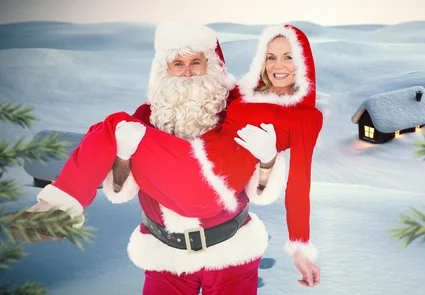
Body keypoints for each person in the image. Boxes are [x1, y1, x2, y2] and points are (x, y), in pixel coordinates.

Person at [10, 22, 288, 295]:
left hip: (231, 251)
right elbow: (121, 189)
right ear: (164, 70)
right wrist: (123, 156)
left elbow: (262, 192)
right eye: (178, 64)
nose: (188, 72)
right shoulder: (146, 116)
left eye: (196, 62)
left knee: (113, 125)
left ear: (212, 66)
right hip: (166, 255)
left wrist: (267, 160)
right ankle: (58, 211)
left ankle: (59, 209)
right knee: (116, 129)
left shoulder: (234, 113)